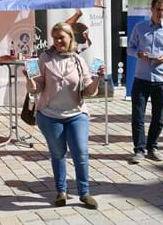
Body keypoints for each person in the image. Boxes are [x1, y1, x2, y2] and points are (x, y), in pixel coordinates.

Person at [24, 22, 105, 209]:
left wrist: (98, 78)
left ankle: (84, 193)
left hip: (77, 114)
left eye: (62, 37)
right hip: (50, 115)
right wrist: (29, 79)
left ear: (70, 38)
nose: (59, 41)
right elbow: (35, 88)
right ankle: (61, 191)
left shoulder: (78, 60)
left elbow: (89, 92)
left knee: (81, 153)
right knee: (58, 154)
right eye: (56, 38)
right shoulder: (44, 59)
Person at [127, 0, 163, 164]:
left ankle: (152, 147)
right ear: (151, 9)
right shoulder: (139, 28)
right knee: (138, 116)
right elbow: (130, 48)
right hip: (141, 78)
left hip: (160, 79)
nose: (161, 13)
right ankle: (139, 150)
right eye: (158, 9)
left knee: (158, 117)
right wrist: (138, 54)